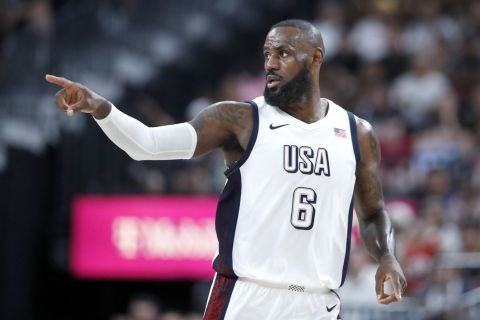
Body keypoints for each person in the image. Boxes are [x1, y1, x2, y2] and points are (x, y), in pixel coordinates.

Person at [46, 19, 406, 320]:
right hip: (247, 296)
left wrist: (387, 256)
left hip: (319, 300)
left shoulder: (357, 134)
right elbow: (147, 145)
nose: (270, 63)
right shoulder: (240, 119)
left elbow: (372, 213)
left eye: (283, 53)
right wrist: (101, 109)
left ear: (315, 59)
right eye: (267, 53)